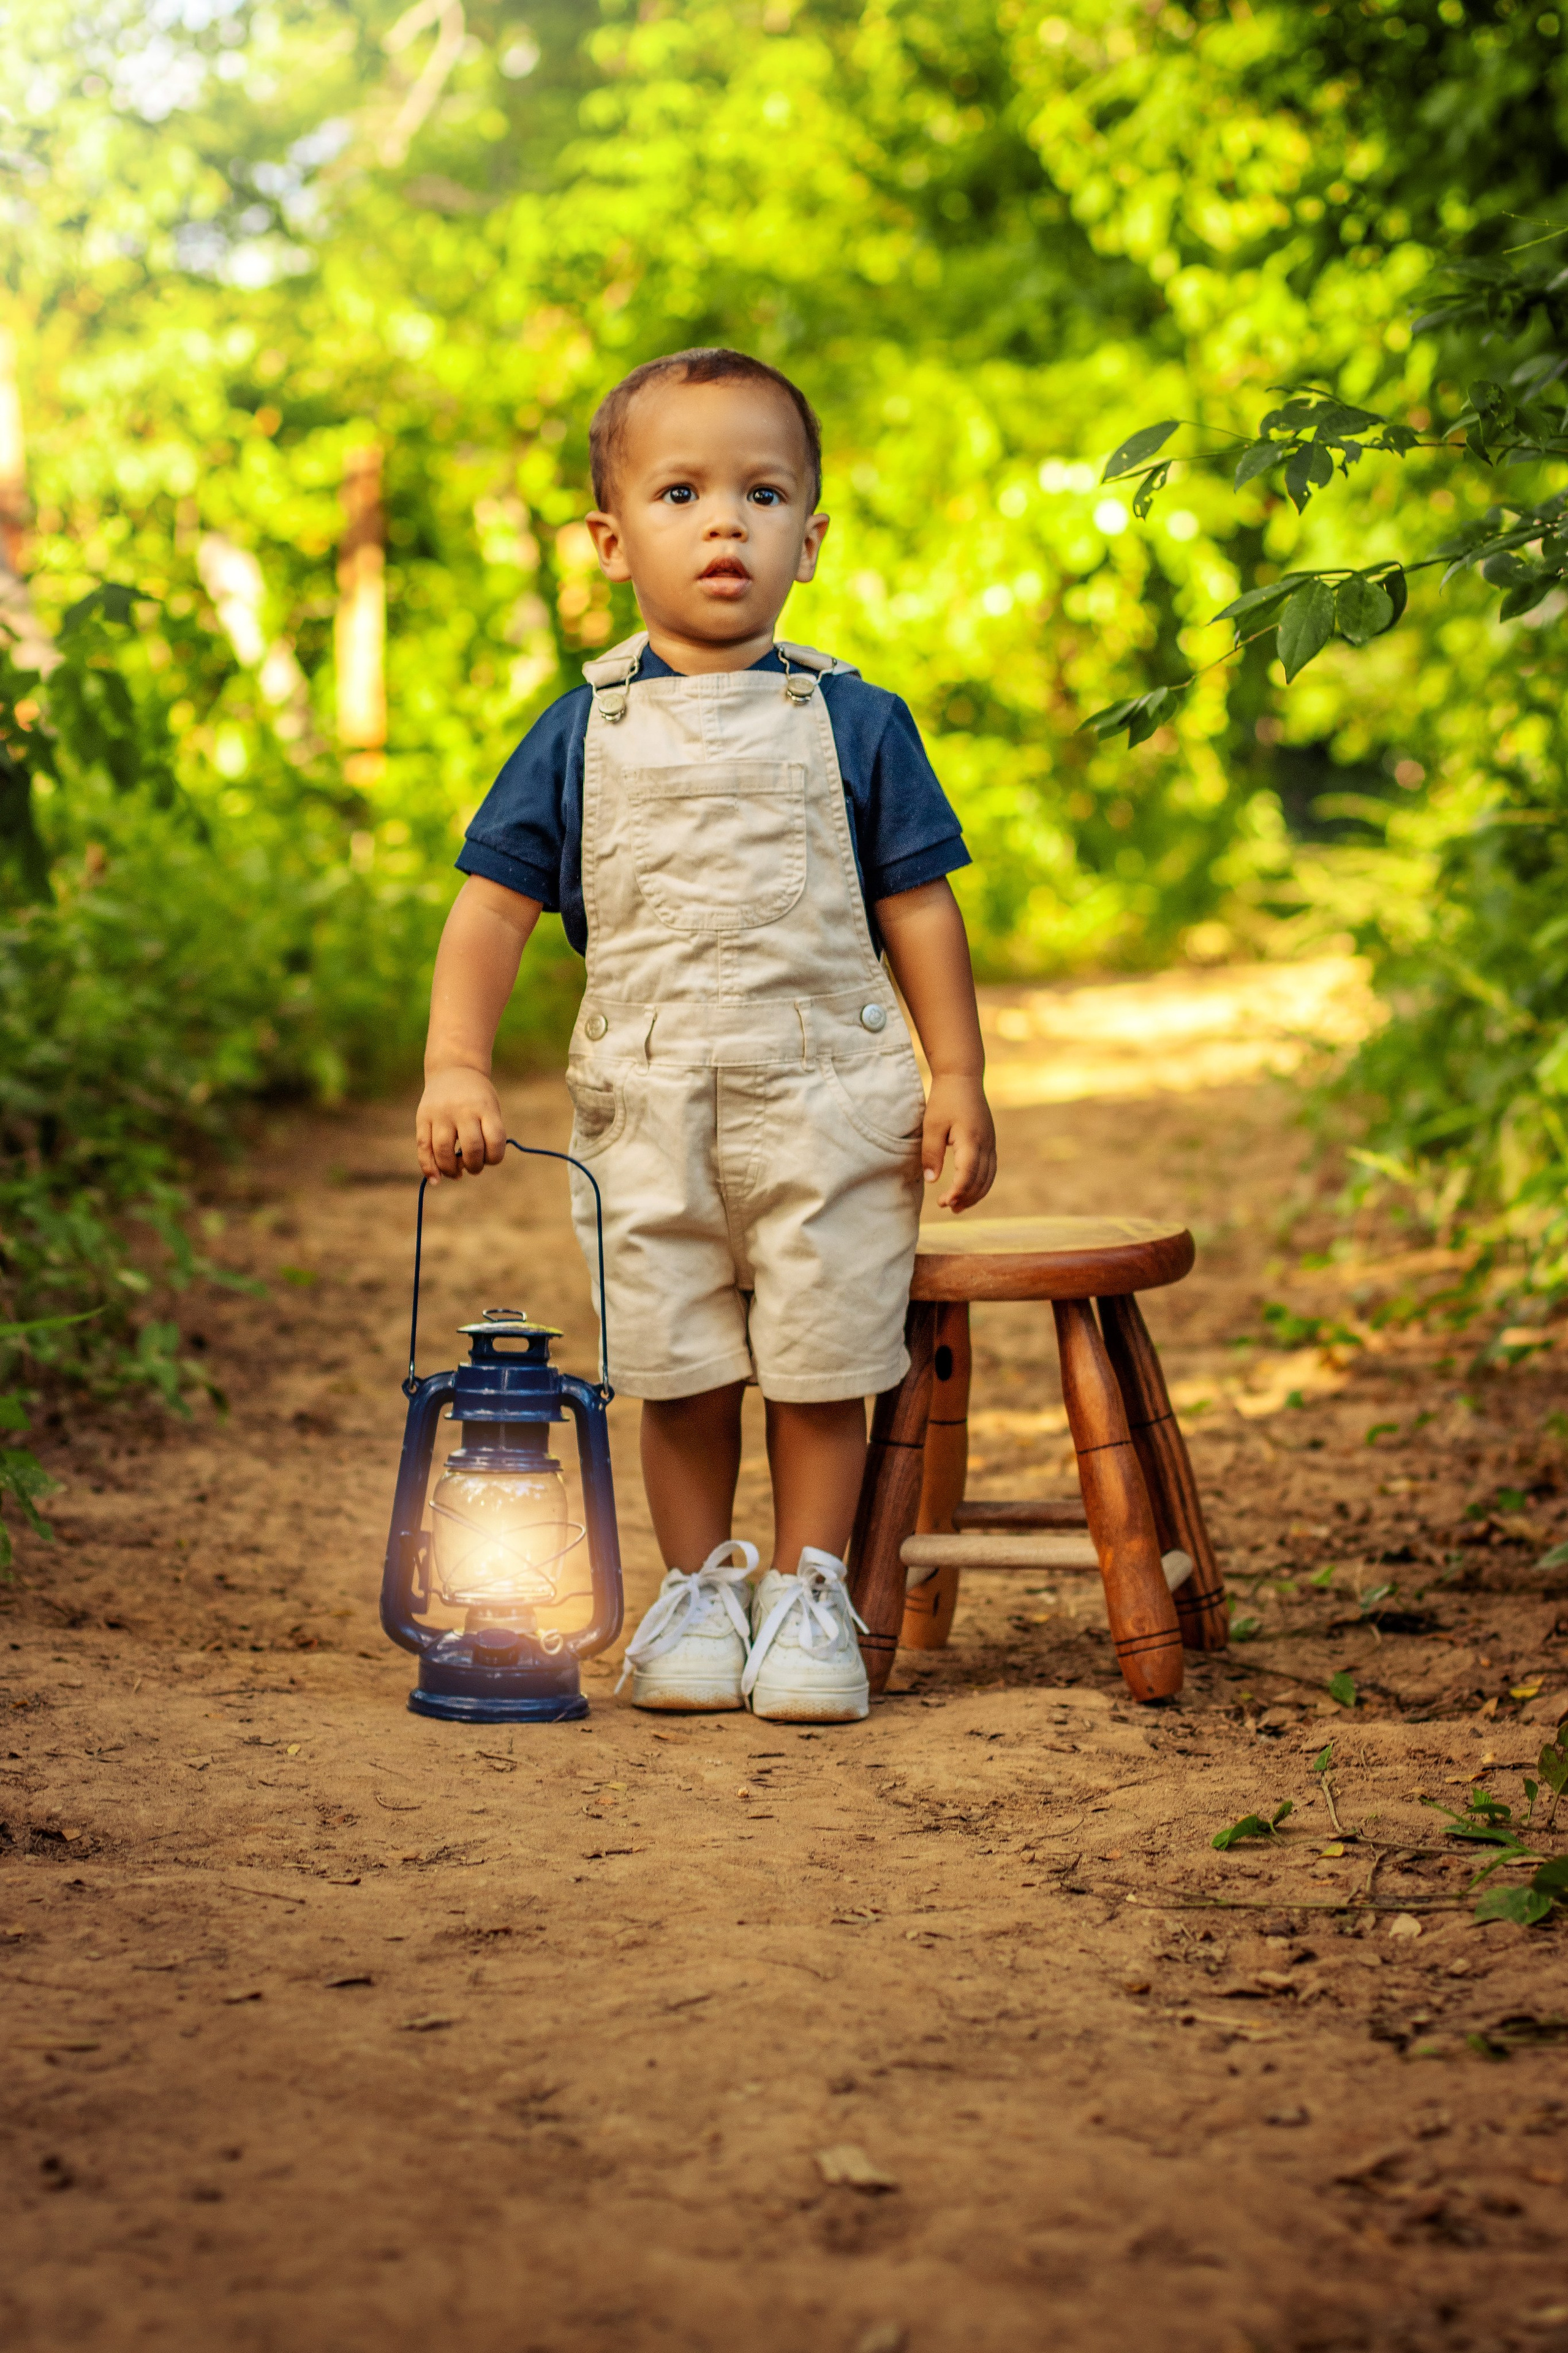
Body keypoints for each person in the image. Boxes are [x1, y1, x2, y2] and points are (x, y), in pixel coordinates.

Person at [416, 347, 996, 1723]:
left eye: (762, 491)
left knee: (820, 1352)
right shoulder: (577, 731)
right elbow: (492, 911)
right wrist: (456, 1060)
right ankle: (695, 1591)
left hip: (827, 1097)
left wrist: (957, 1073)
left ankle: (807, 1597)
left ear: (811, 535)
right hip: (647, 1103)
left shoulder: (856, 721)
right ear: (614, 542)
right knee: (675, 1362)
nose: (724, 522)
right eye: (681, 492)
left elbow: (918, 908)